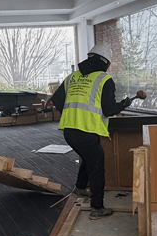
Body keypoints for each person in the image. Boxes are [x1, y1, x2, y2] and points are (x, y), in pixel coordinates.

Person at [50, 44, 147, 219]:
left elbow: (56, 100)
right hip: (86, 131)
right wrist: (125, 103)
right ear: (105, 62)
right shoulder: (104, 80)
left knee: (89, 158)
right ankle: (97, 208)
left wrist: (74, 114)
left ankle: (80, 188)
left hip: (69, 131)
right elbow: (109, 110)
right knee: (97, 167)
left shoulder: (72, 77)